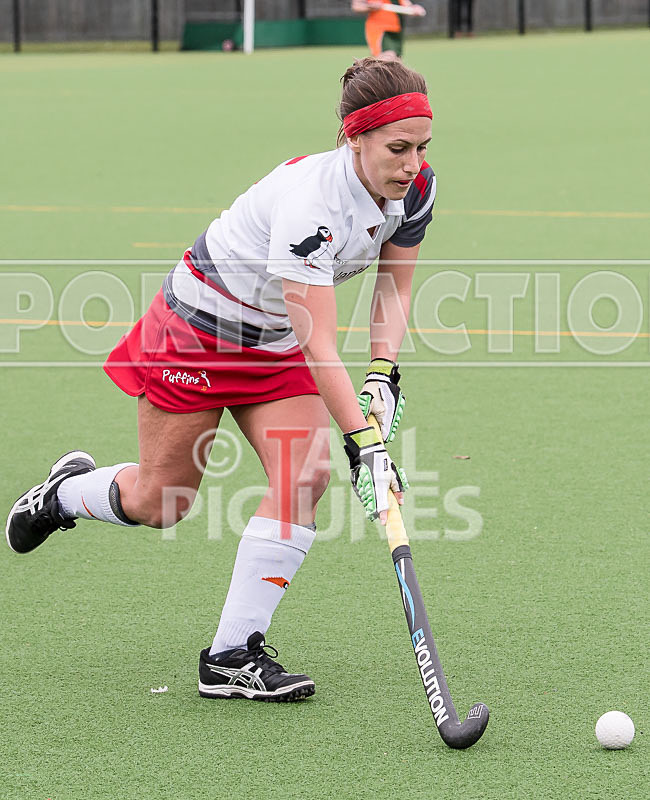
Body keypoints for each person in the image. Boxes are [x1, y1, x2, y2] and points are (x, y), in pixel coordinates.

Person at [6, 57, 436, 703]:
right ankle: (64, 496)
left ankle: (232, 656)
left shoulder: (415, 188)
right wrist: (367, 444)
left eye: (422, 147)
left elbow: (393, 289)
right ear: (354, 138)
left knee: (305, 474)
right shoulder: (309, 210)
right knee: (162, 502)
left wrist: (383, 373)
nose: (411, 164)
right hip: (199, 331)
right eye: (397, 149)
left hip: (275, 341)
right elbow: (320, 339)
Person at [352, 0, 426, 59]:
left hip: (397, 30)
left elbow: (405, 4)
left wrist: (413, 8)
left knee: (396, 63)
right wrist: (370, 7)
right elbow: (356, 6)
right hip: (381, 30)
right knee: (387, 59)